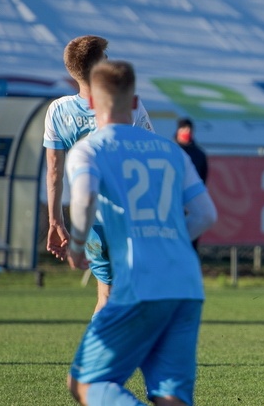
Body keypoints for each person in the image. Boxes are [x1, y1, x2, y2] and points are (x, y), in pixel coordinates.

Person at [65, 60, 217, 406]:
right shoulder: (171, 151)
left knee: (85, 383)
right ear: (135, 103)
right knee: (170, 396)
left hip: (139, 281)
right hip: (186, 284)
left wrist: (77, 245)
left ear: (91, 103)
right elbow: (206, 214)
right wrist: (173, 241)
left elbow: (85, 196)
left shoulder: (89, 149)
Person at [43, 35, 154, 314]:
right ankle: (110, 356)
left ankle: (101, 356)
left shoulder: (57, 111)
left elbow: (54, 172)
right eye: (106, 58)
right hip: (126, 213)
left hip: (88, 218)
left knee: (107, 296)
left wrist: (55, 221)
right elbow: (150, 157)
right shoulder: (127, 105)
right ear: (100, 68)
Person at [175, 117, 209, 251]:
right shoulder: (171, 151)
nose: (187, 131)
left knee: (191, 245)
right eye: (183, 128)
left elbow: (203, 178)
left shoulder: (199, 154)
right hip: (173, 205)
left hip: (191, 205)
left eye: (189, 128)